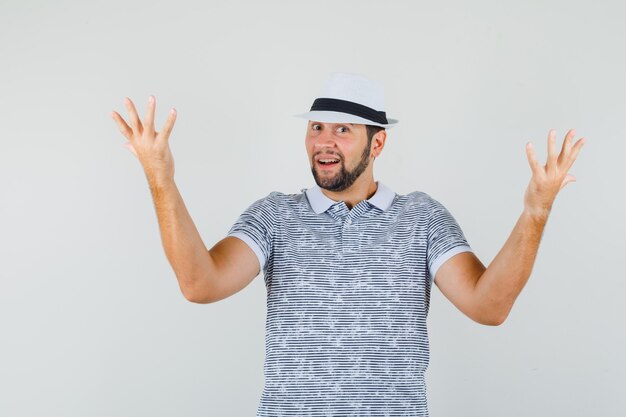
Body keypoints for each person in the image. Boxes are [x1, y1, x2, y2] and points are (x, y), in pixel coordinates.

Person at [110, 72, 586, 416]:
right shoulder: (275, 216)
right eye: (317, 127)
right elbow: (200, 283)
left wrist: (536, 211)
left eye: (342, 129)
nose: (324, 141)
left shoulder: (421, 218)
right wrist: (161, 180)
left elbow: (489, 306)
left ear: (376, 144)